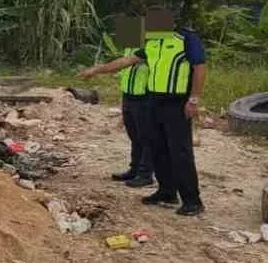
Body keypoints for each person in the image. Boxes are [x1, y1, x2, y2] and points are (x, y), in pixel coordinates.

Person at [78, 12, 207, 216]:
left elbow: (200, 67)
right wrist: (97, 69)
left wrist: (194, 99)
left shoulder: (186, 39)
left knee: (180, 152)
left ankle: (192, 201)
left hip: (177, 102)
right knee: (157, 147)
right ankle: (166, 191)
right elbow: (126, 61)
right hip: (154, 100)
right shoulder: (152, 45)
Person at [112, 43, 155, 188]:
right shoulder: (130, 45)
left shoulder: (152, 45)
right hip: (129, 95)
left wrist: (96, 70)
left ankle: (145, 174)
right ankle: (135, 169)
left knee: (146, 137)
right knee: (134, 136)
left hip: (144, 96)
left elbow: (124, 63)